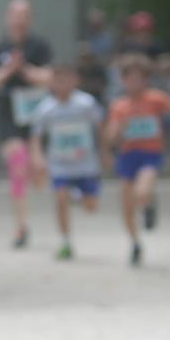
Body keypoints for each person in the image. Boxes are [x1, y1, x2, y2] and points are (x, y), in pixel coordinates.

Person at [105, 54, 170, 266]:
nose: (135, 83)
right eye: (130, 78)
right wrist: (119, 129)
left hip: (150, 154)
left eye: (140, 78)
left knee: (143, 190)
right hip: (128, 155)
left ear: (146, 79)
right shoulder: (119, 106)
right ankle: (135, 242)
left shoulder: (155, 99)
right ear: (123, 80)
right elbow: (111, 137)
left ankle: (148, 204)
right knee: (127, 206)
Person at [0, 0, 53, 248]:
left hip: (36, 117)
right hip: (7, 115)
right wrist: (8, 70)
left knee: (38, 172)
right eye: (15, 15)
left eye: (25, 15)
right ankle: (21, 227)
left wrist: (26, 70)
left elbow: (49, 78)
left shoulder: (40, 46)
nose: (20, 21)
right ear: (7, 18)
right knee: (17, 164)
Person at [30, 64, 108, 260]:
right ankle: (65, 241)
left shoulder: (86, 103)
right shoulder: (46, 108)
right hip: (59, 164)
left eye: (67, 79)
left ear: (76, 80)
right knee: (60, 198)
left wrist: (105, 152)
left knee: (91, 207)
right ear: (52, 83)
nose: (63, 84)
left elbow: (100, 127)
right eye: (59, 80)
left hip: (85, 163)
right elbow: (36, 136)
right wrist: (37, 157)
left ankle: (77, 194)